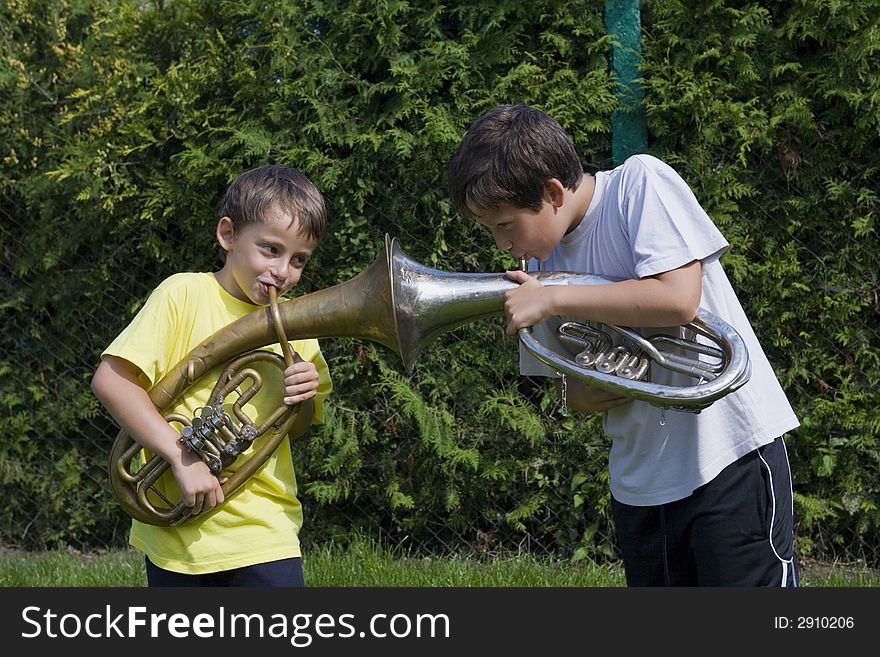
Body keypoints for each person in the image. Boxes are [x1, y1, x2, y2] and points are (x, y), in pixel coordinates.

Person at [447, 104, 800, 586]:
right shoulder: (538, 277)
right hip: (640, 483)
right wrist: (585, 392)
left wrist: (554, 299)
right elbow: (574, 392)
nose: (501, 245)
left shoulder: (639, 184)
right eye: (489, 230)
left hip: (726, 458)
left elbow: (678, 299)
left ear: (552, 192)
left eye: (505, 226)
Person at [91, 164, 332, 587]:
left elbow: (292, 430)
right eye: (270, 249)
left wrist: (304, 398)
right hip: (176, 529)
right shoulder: (182, 294)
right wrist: (182, 455)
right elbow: (111, 380)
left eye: (299, 260)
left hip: (264, 528)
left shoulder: (298, 328)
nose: (283, 271)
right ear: (228, 235)